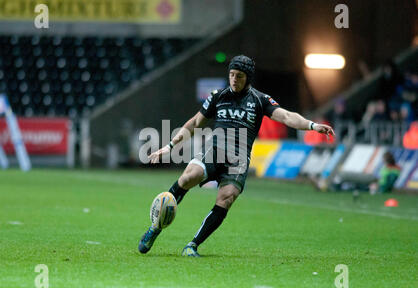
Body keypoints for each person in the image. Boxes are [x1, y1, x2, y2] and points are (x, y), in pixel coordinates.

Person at [138, 55, 335, 257]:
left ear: (247, 78)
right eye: (231, 75)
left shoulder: (260, 100)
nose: (233, 79)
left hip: (238, 159)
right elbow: (196, 122)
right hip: (215, 149)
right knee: (189, 176)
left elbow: (286, 116)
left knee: (227, 198)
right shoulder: (218, 96)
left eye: (239, 76)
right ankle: (156, 227)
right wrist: (170, 146)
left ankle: (192, 245)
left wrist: (312, 126)